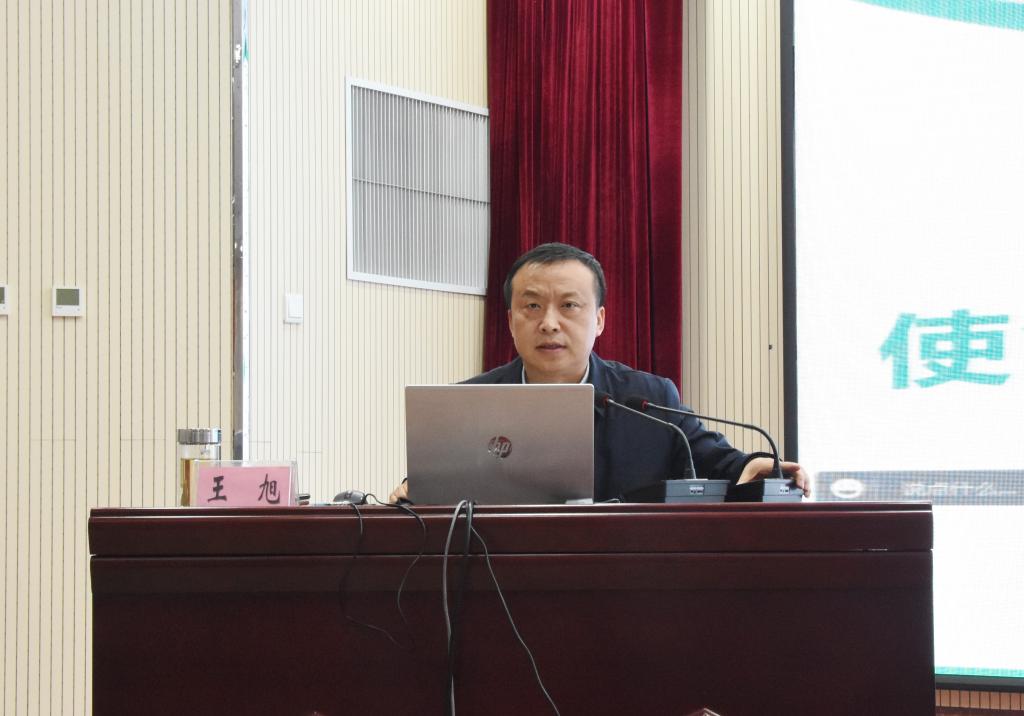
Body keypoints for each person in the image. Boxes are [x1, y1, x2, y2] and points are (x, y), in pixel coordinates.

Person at [390, 242, 809, 502]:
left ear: (600, 320)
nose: (549, 323)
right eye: (532, 306)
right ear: (510, 320)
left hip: (623, 588)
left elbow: (716, 461)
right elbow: (430, 491)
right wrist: (410, 497)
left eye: (569, 306)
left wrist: (755, 466)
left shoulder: (647, 400)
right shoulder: (468, 404)